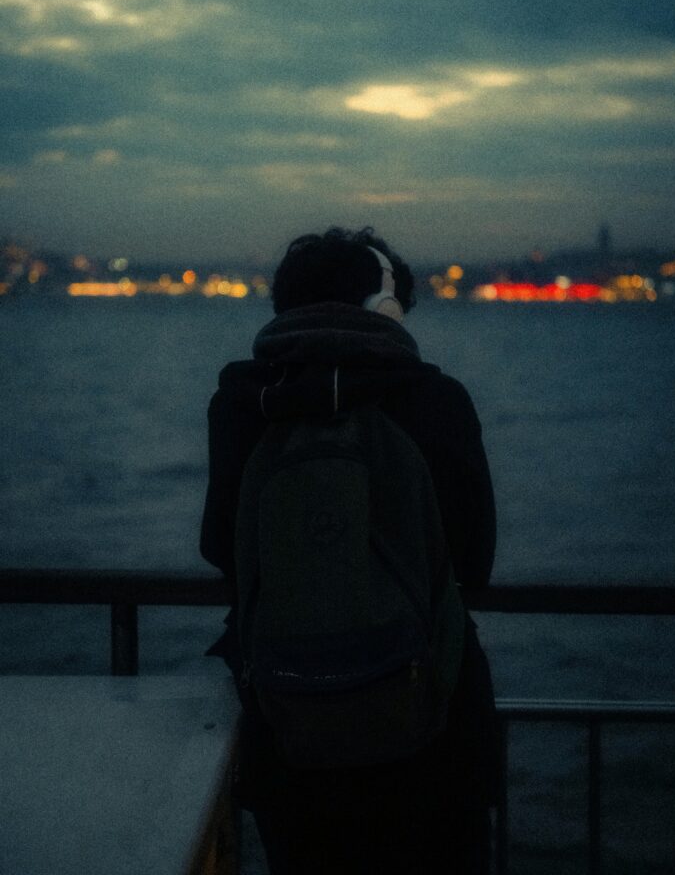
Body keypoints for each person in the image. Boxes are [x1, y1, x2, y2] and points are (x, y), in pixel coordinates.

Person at [200, 226, 498, 874]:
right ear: (385, 307)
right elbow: (475, 562)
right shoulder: (437, 398)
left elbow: (219, 546)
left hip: (289, 726)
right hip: (432, 726)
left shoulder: (242, 402)